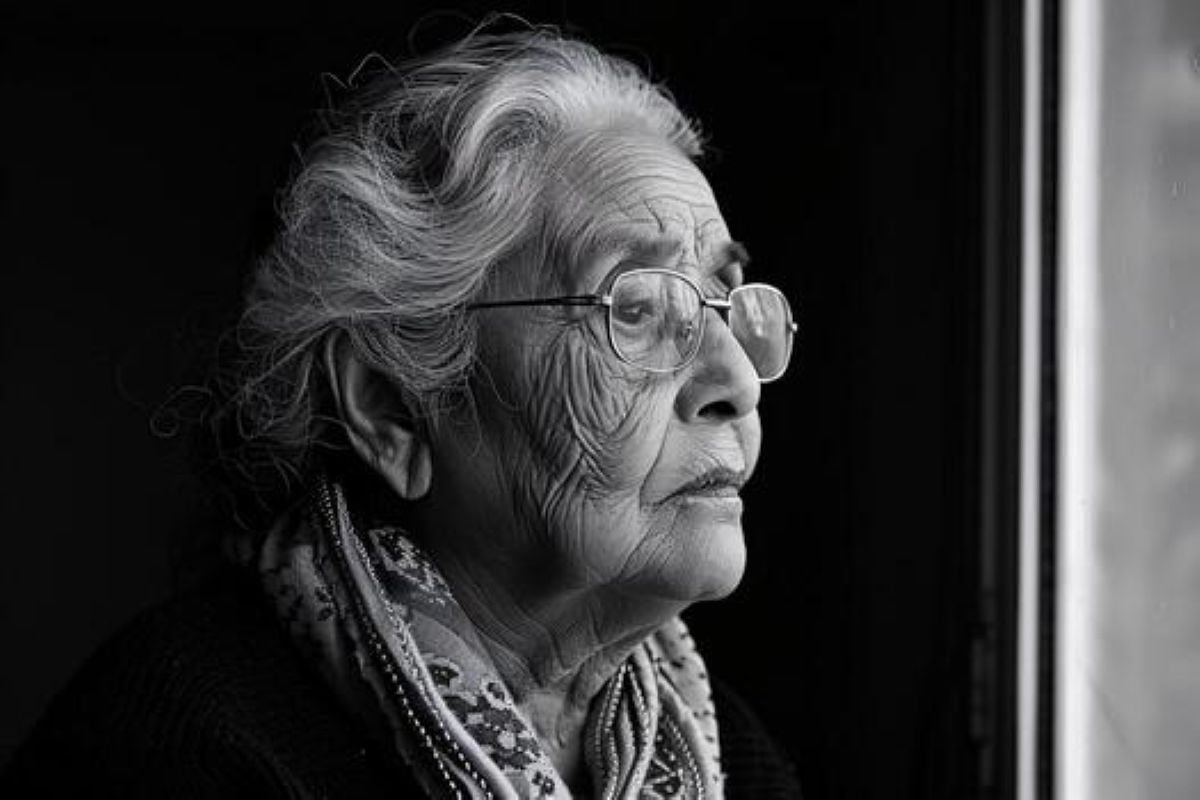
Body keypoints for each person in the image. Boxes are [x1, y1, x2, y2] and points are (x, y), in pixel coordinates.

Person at [2, 25, 801, 798]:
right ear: (392, 409)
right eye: (636, 307)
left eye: (727, 302)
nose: (736, 377)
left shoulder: (722, 754)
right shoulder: (177, 754)